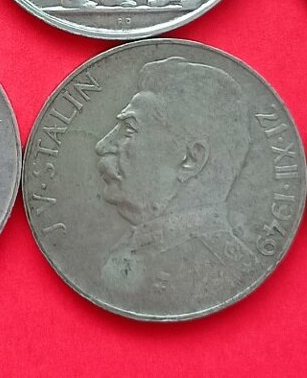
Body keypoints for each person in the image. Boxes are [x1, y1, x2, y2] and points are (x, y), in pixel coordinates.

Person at [95, 57, 255, 306]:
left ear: (191, 159)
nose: (102, 145)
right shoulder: (136, 248)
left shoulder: (225, 274)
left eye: (129, 130)